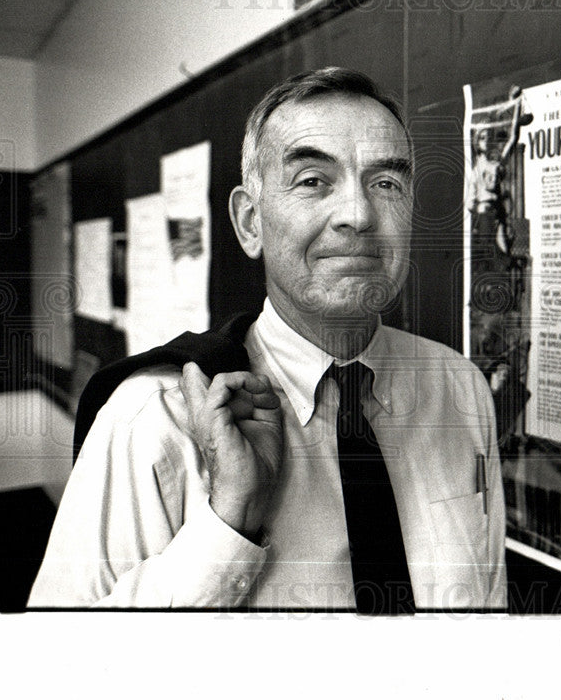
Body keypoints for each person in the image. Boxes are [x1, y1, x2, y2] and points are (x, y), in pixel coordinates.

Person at [29, 67, 506, 611]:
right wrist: (227, 521)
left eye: (386, 184)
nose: (358, 214)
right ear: (250, 223)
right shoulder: (153, 422)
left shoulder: (461, 391)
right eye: (312, 181)